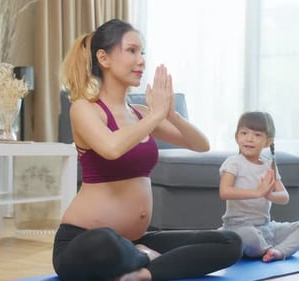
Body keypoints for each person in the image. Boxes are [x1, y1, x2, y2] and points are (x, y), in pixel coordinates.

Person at [52, 18, 242, 281]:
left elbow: (200, 145)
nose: (141, 60)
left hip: (137, 239)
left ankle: (142, 273)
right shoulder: (85, 109)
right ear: (104, 58)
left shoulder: (140, 114)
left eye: (142, 52)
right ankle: (142, 257)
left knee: (230, 243)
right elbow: (111, 148)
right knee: (104, 241)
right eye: (131, 50)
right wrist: (155, 117)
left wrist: (172, 115)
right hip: (83, 242)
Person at [218, 111, 299, 262]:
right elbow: (225, 192)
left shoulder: (268, 165)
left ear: (268, 141)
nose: (249, 139)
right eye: (244, 133)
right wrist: (257, 192)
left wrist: (268, 195)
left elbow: (284, 197)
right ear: (237, 137)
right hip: (238, 227)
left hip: (266, 228)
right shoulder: (233, 163)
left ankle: (278, 251)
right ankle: (264, 248)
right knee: (249, 236)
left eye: (257, 135)